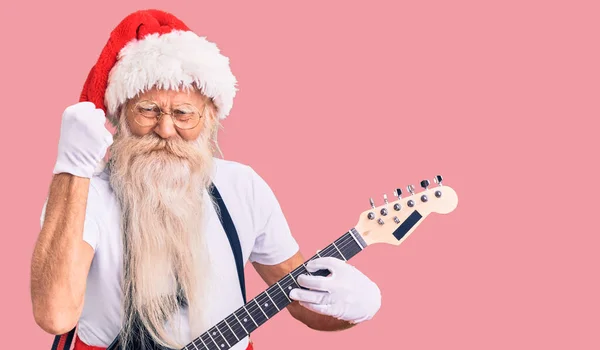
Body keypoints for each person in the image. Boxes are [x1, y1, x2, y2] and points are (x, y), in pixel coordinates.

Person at [30, 9, 382, 350]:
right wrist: (71, 169)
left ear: (211, 117)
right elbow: (55, 314)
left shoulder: (243, 187)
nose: (166, 130)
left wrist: (351, 309)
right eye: (147, 110)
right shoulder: (83, 195)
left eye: (183, 113)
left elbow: (299, 302)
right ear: (120, 114)